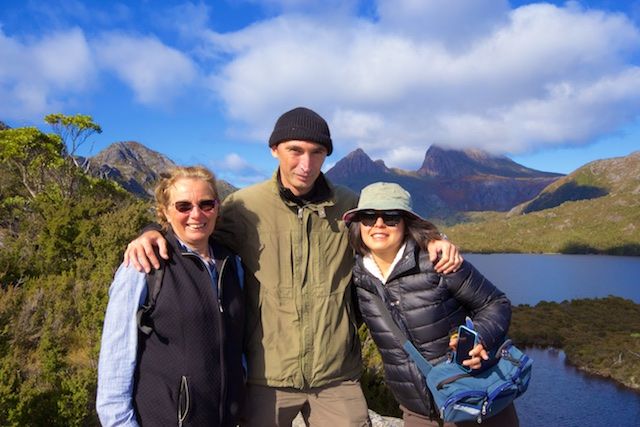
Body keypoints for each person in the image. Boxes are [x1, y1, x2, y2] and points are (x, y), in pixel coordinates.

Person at [123, 107, 463, 426]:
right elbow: (194, 227)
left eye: (317, 152)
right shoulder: (245, 206)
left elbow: (391, 228)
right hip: (265, 379)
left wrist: (433, 238)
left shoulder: (348, 207)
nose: (306, 163)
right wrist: (150, 232)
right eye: (295, 150)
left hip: (337, 377)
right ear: (274, 150)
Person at [343, 182, 519, 427]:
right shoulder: (358, 278)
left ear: (406, 223)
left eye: (391, 217)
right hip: (419, 412)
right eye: (369, 217)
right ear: (358, 224)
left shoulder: (438, 263)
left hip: (474, 400)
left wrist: (479, 338)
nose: (379, 224)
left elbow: (495, 303)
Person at [96, 166, 245, 426]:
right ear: (165, 211)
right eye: (183, 206)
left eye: (206, 204)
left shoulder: (232, 264)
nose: (196, 214)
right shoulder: (144, 265)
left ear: (217, 207)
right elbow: (116, 360)